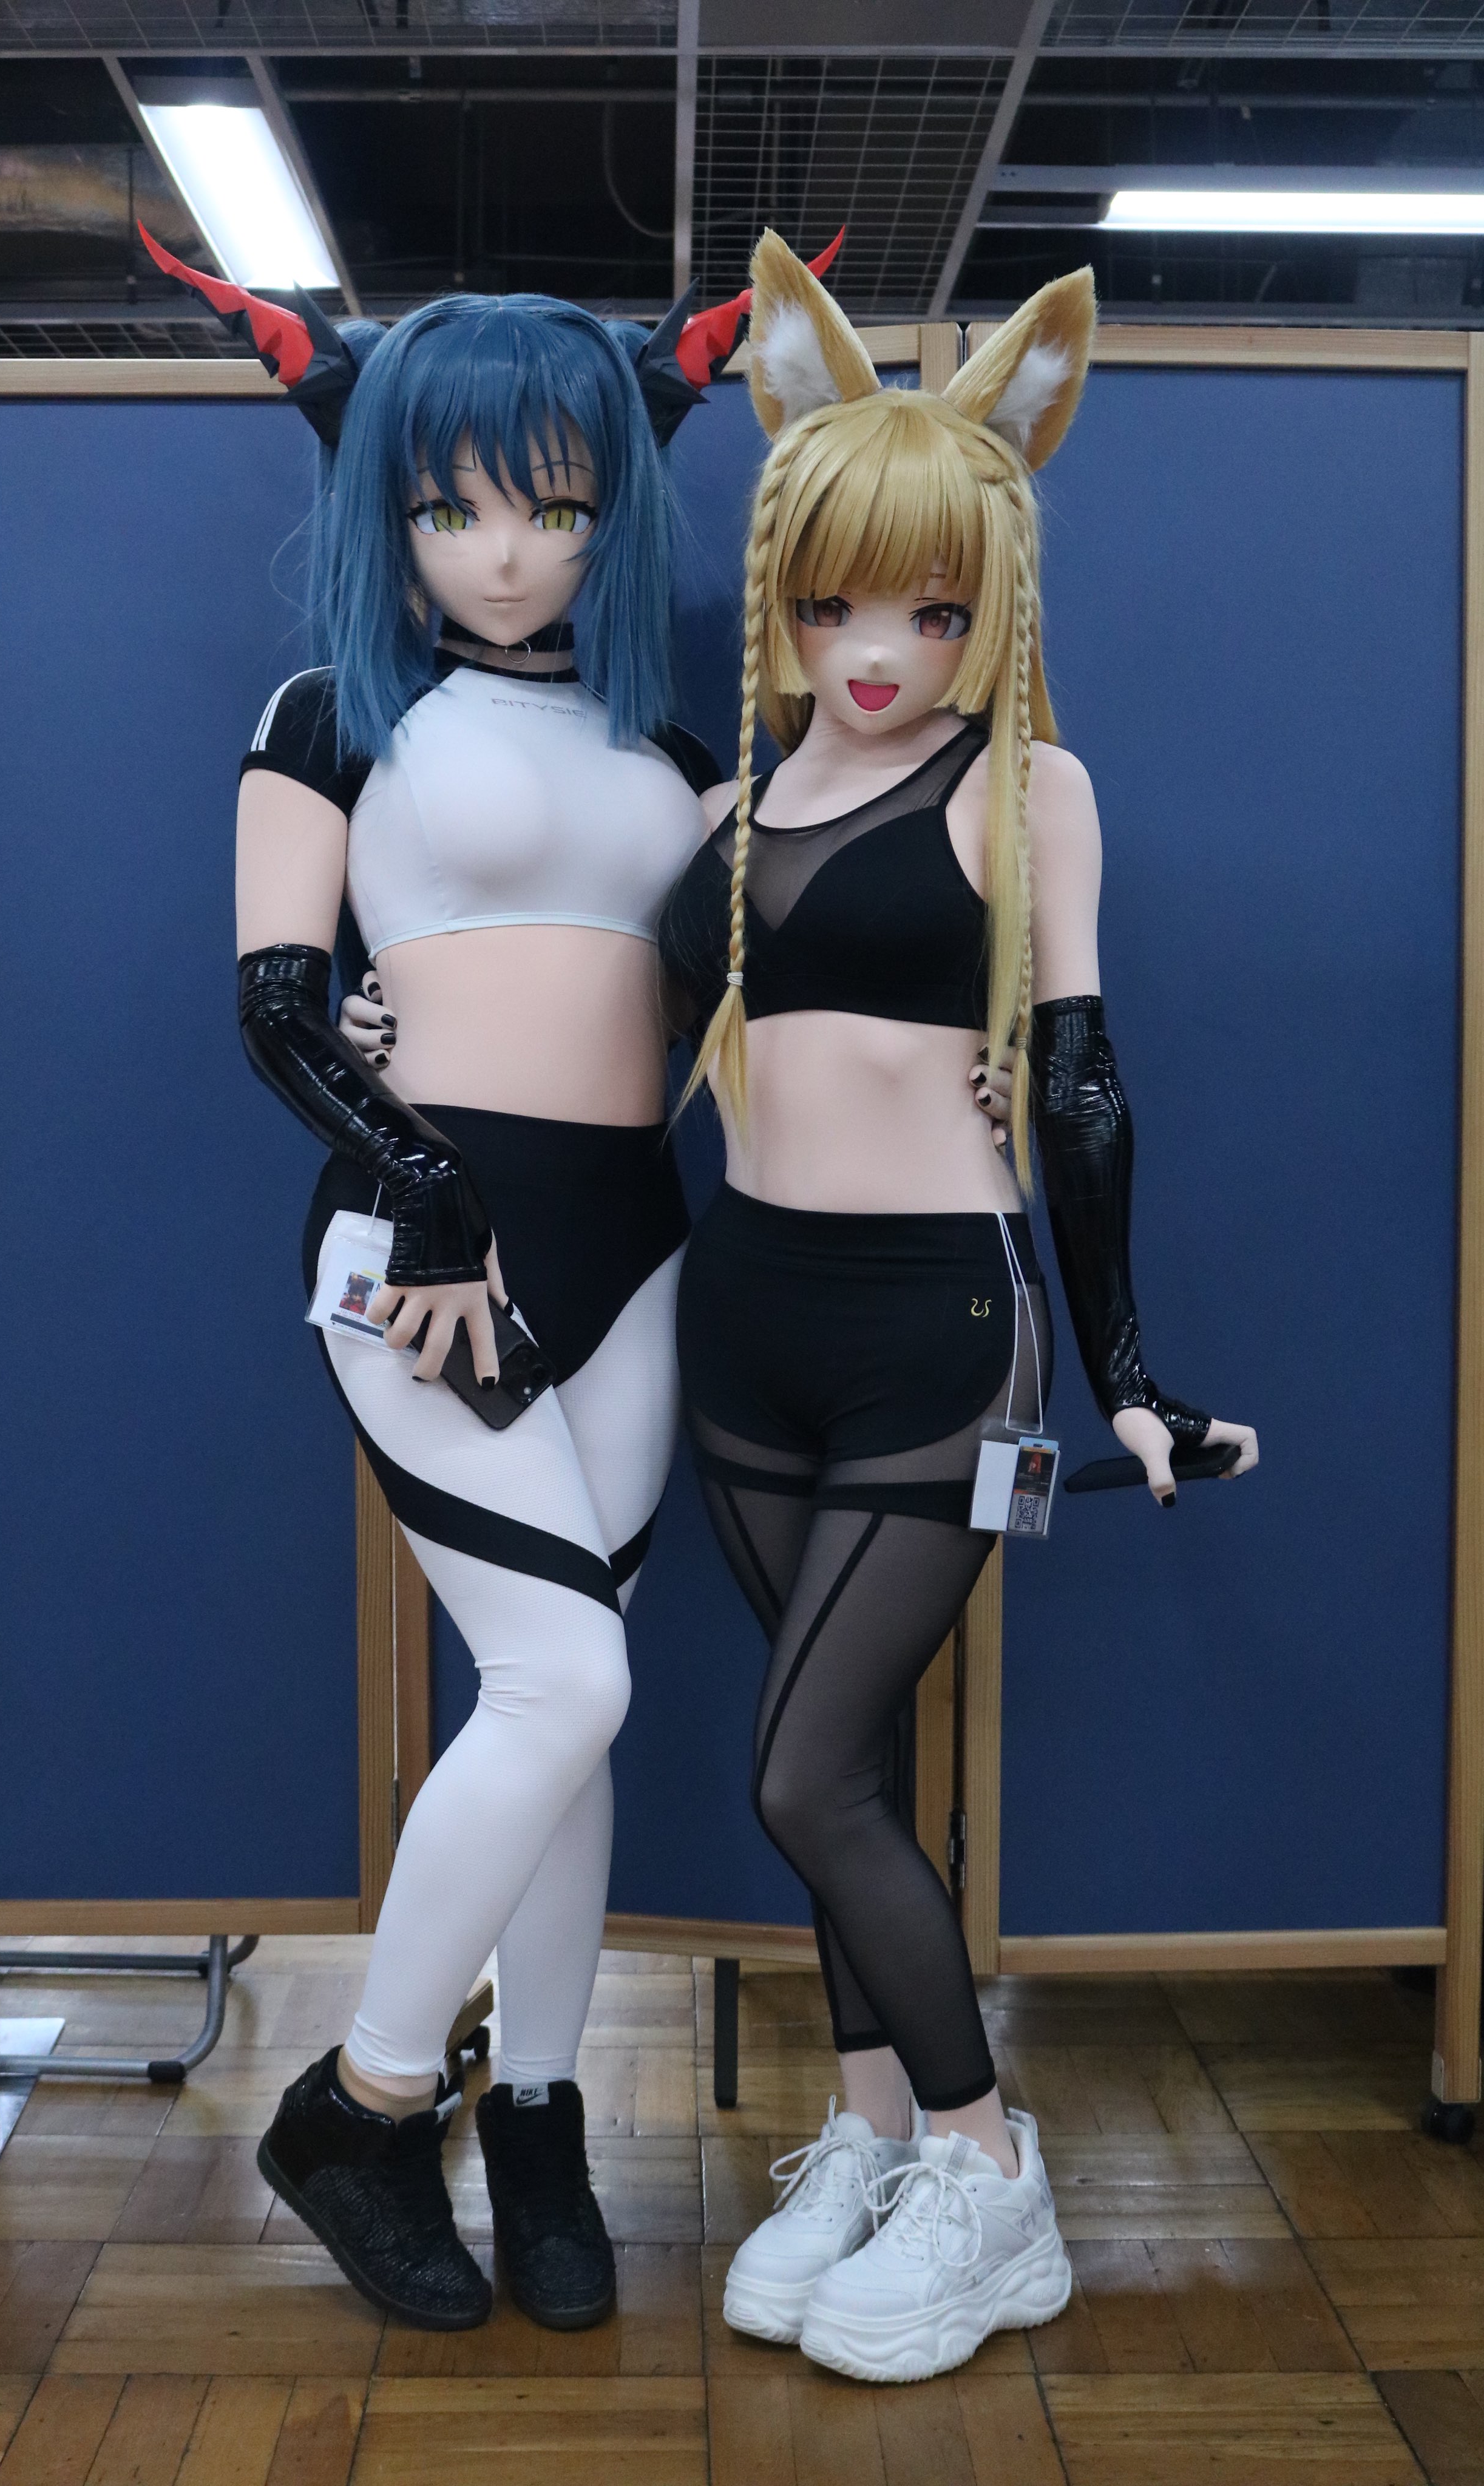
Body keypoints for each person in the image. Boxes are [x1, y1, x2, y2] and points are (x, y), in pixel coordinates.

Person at [657, 233, 1258, 2385]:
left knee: (805, 1775)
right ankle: (871, 2132)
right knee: (845, 1766)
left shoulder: (1025, 790)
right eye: (839, 605)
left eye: (929, 610)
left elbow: (1078, 1081)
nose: (879, 651)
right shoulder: (728, 804)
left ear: (991, 599)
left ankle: (994, 2183)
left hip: (934, 1328)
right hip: (745, 1314)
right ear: (784, 593)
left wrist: (1126, 1374)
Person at [223, 277, 719, 2334]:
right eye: (451, 509)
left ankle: (536, 2116)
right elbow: (274, 1005)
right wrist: (430, 1200)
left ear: (614, 511)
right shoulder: (332, 709)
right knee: (564, 1684)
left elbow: (737, 999)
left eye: (554, 507)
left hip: (633, 1241)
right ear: (390, 512)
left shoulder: (670, 741)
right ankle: (360, 2105)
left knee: (573, 1711)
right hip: (424, 1251)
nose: (505, 553)